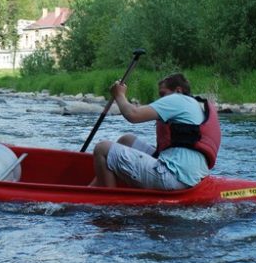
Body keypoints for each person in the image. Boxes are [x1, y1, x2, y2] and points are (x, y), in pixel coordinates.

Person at [91, 73, 220, 189]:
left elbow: (133, 115)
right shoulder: (193, 104)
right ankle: (91, 188)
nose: (161, 99)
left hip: (174, 176)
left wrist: (119, 94)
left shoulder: (178, 99)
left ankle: (109, 203)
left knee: (102, 149)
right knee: (126, 140)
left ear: (178, 90)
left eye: (163, 94)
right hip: (191, 177)